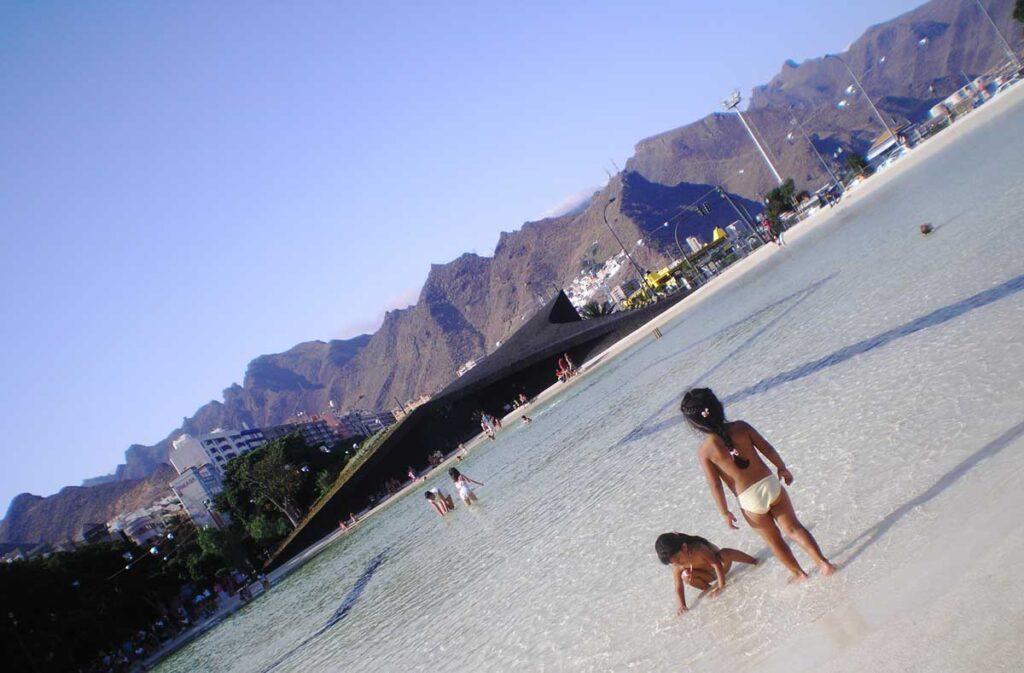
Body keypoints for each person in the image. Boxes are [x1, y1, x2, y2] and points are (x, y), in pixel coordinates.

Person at [680, 388, 837, 582]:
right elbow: (767, 448)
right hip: (771, 485)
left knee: (774, 541)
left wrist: (725, 512)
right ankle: (823, 564)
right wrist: (782, 468)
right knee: (794, 529)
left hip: (749, 500)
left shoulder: (705, 451)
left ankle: (799, 574)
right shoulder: (741, 427)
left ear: (696, 425)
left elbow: (715, 485)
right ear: (718, 406)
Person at [655, 532, 757, 614]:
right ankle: (710, 589)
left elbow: (716, 564)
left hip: (722, 567)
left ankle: (754, 561)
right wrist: (682, 606)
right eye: (672, 562)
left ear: (684, 547)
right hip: (708, 576)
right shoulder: (677, 565)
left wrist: (722, 586)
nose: (677, 563)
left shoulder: (698, 549)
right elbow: (678, 587)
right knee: (686, 576)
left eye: (678, 558)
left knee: (724, 553)